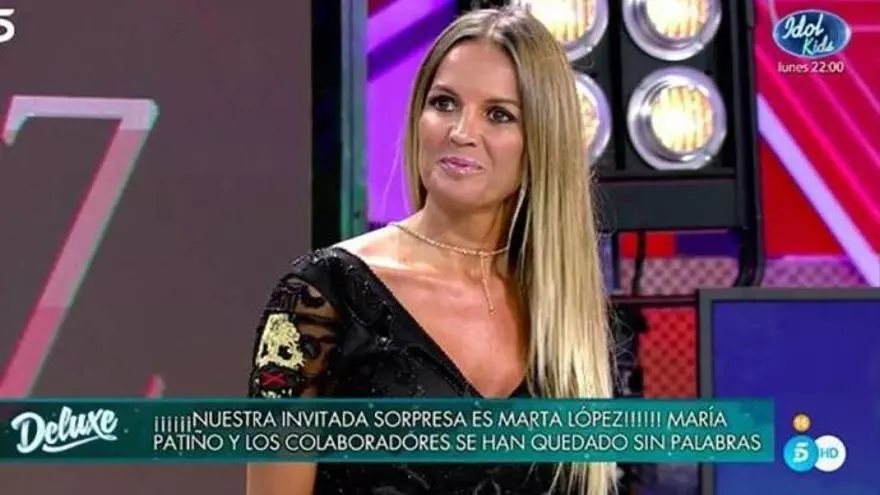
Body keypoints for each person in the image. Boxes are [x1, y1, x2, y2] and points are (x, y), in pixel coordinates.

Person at [245, 6, 616, 495]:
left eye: (498, 115)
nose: (461, 132)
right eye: (444, 103)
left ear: (542, 144)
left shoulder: (566, 313)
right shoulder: (320, 296)